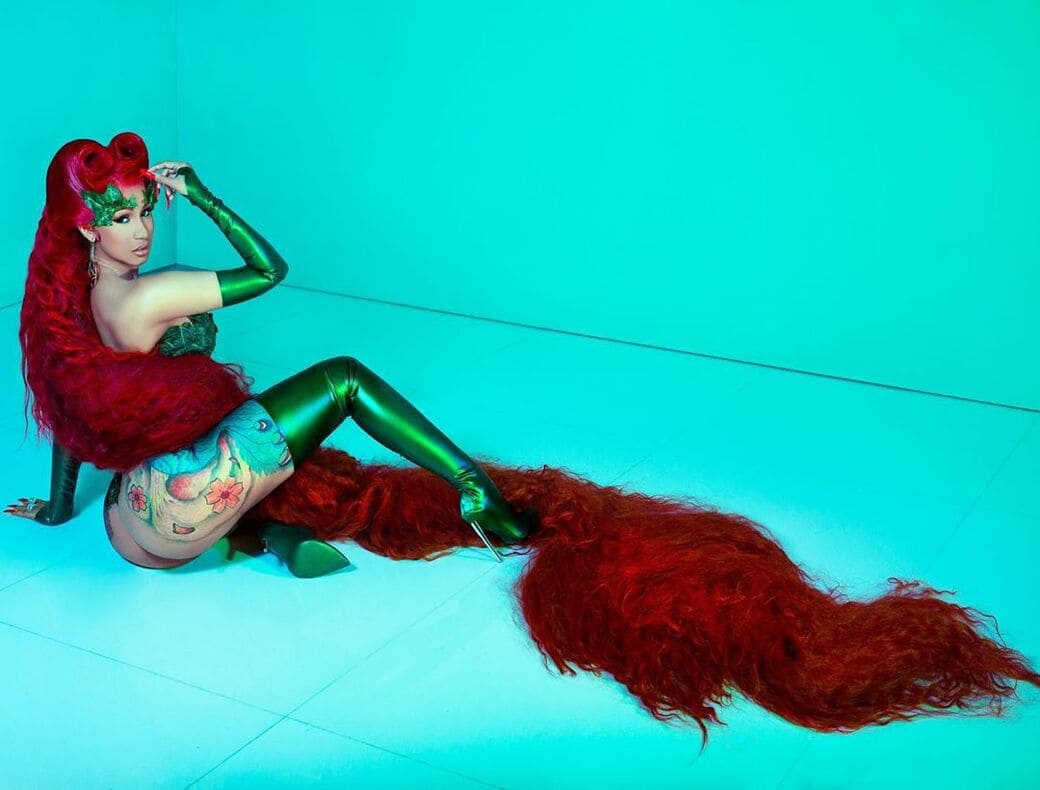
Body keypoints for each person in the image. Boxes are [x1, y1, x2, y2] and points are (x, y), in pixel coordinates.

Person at [7, 131, 1040, 748]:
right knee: (344, 381)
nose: (142, 227)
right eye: (124, 215)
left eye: (146, 210)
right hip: (180, 512)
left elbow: (78, 418)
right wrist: (205, 196)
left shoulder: (69, 309)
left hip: (129, 527)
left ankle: (268, 537)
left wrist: (56, 509)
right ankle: (466, 489)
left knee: (278, 452)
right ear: (90, 224)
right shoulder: (148, 296)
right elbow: (273, 270)